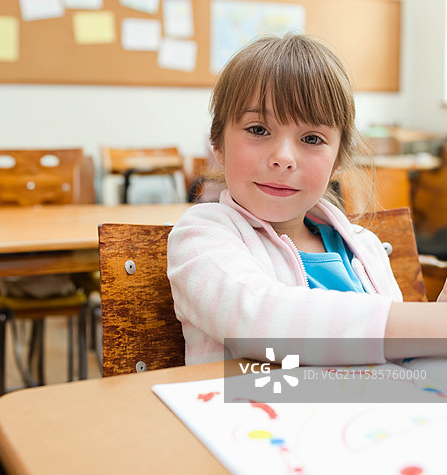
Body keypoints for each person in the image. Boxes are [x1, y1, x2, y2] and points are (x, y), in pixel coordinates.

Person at [167, 34, 447, 366]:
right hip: (256, 414)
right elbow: (262, 322)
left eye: (311, 138)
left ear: (337, 162)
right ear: (217, 143)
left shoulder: (366, 247)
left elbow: (400, 362)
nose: (284, 158)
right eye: (258, 129)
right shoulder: (202, 237)